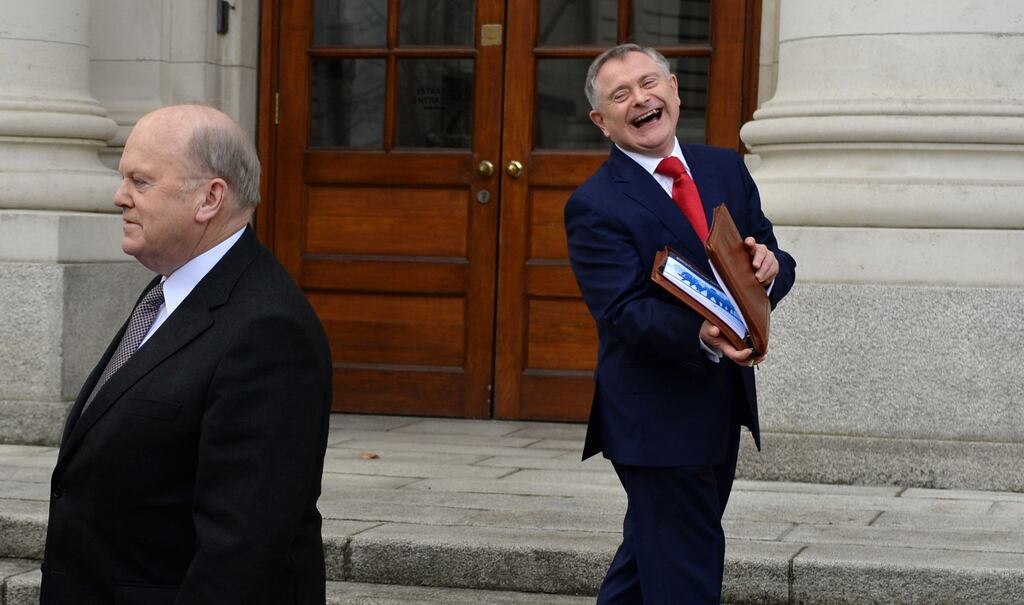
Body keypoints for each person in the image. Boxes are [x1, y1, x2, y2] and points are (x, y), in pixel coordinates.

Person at [41, 105, 333, 604]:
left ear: (209, 198)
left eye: (141, 181)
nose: (119, 197)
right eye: (123, 179)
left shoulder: (267, 330)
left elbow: (243, 549)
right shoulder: (170, 292)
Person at [564, 44, 796, 603]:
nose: (640, 99)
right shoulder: (594, 204)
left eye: (649, 83)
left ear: (674, 88)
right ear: (602, 121)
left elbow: (770, 258)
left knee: (651, 560)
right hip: (655, 417)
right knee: (686, 571)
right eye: (620, 95)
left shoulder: (723, 167)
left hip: (720, 405)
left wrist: (770, 268)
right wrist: (698, 334)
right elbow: (621, 311)